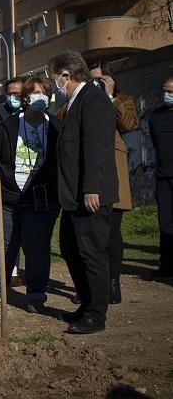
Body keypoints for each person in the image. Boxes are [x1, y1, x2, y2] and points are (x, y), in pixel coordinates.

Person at [49, 50, 117, 334]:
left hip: (89, 194)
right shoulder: (75, 102)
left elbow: (97, 148)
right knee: (70, 247)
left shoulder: (93, 99)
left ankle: (96, 314)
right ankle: (87, 302)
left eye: (54, 78)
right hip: (73, 195)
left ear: (67, 75)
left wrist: (92, 189)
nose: (53, 84)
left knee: (91, 252)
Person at [0, 77, 60, 312]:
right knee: (5, 245)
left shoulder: (55, 126)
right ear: (25, 98)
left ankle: (36, 293)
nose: (40, 97)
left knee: (37, 247)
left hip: (41, 197)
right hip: (8, 196)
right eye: (35, 92)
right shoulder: (10, 125)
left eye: (45, 92)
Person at [89, 61, 138, 302]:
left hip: (114, 170)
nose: (95, 84)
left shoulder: (122, 100)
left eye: (100, 79)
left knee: (112, 231)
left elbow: (129, 124)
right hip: (89, 172)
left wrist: (109, 97)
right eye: (92, 80)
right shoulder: (82, 101)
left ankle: (113, 282)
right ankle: (92, 286)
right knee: (90, 233)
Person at [0, 76, 26, 287]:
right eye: (9, 94)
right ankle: (5, 276)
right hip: (4, 183)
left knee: (27, 237)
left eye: (17, 94)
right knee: (3, 237)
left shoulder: (34, 116)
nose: (13, 97)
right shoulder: (2, 114)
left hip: (27, 184)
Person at [149, 76, 173, 278]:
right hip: (163, 175)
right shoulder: (156, 116)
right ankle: (166, 264)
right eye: (165, 91)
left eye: (171, 92)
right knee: (165, 220)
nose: (167, 95)